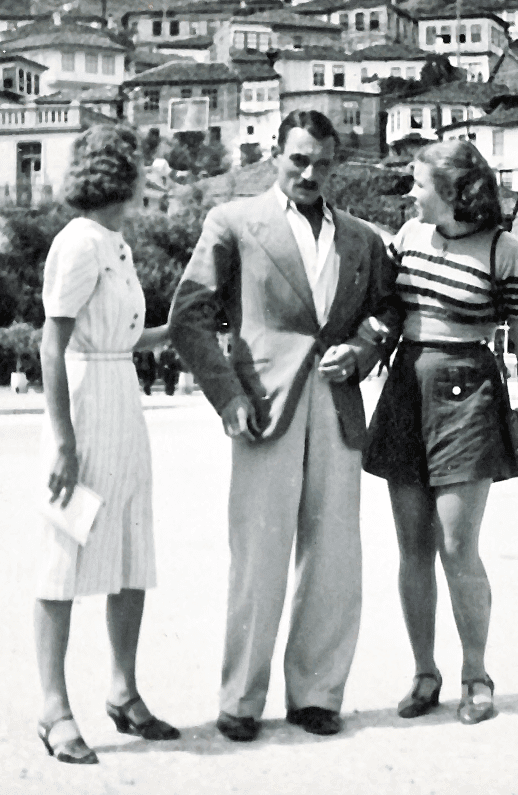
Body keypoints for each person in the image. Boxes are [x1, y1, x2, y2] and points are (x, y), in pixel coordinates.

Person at [169, 110, 396, 742]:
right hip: (262, 406)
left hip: (338, 402)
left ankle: (317, 695)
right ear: (276, 154)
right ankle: (240, 699)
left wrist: (365, 349)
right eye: (299, 159)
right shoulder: (234, 222)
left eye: (322, 163)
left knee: (335, 559)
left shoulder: (363, 238)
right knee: (258, 558)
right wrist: (226, 394)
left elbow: (386, 311)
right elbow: (189, 314)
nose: (309, 173)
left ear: (336, 164)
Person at [363, 139, 518, 726]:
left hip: (468, 393)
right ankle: (424, 673)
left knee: (457, 546)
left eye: (419, 185)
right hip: (406, 391)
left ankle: (476, 674)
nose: (410, 194)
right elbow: (383, 309)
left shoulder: (504, 250)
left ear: (453, 193)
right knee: (412, 547)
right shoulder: (407, 239)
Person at [35, 125, 179, 765]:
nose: (148, 175)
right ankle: (54, 708)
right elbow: (52, 342)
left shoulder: (115, 244)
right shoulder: (78, 245)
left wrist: (179, 328)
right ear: (117, 174)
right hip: (84, 402)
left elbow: (123, 336)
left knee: (128, 546)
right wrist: (63, 441)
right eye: (139, 166)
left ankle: (123, 692)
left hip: (122, 397)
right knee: (64, 551)